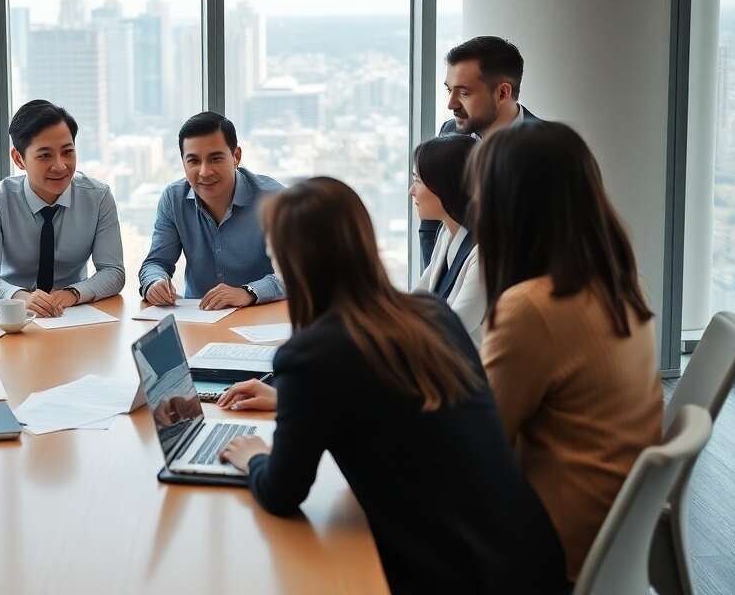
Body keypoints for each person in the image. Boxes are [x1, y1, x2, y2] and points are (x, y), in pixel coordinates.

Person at [216, 178, 566, 594]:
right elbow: (393, 404)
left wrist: (254, 456)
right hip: (532, 561)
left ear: (290, 261)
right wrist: (290, 400)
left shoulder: (309, 356)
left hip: (456, 578)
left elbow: (282, 493)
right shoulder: (429, 311)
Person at [472, 120, 662, 581]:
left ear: (509, 205)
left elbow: (477, 444)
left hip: (550, 543)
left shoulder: (534, 308)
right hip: (607, 527)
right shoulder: (618, 282)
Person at [0, 99, 125, 316]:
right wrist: (21, 298)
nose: (60, 166)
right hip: (14, 316)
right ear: (19, 159)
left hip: (71, 313)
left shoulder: (98, 197)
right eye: (44, 155)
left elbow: (113, 272)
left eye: (68, 152)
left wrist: (72, 294)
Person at [138, 112, 283, 310]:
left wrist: (247, 292)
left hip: (259, 317)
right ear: (183, 163)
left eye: (215, 159)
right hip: (199, 319)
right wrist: (154, 283)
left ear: (236, 156)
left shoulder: (273, 199)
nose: (205, 172)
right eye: (194, 161)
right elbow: (155, 263)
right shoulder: (173, 199)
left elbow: (299, 274)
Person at [421, 35, 541, 268]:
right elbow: (434, 219)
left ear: (502, 93)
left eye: (464, 93)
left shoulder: (548, 149)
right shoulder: (449, 133)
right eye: (449, 91)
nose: (451, 104)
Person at [410, 134, 486, 344]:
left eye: (417, 180)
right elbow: (419, 298)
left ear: (444, 185)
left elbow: (454, 327)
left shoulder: (484, 254)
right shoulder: (447, 233)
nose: (412, 191)